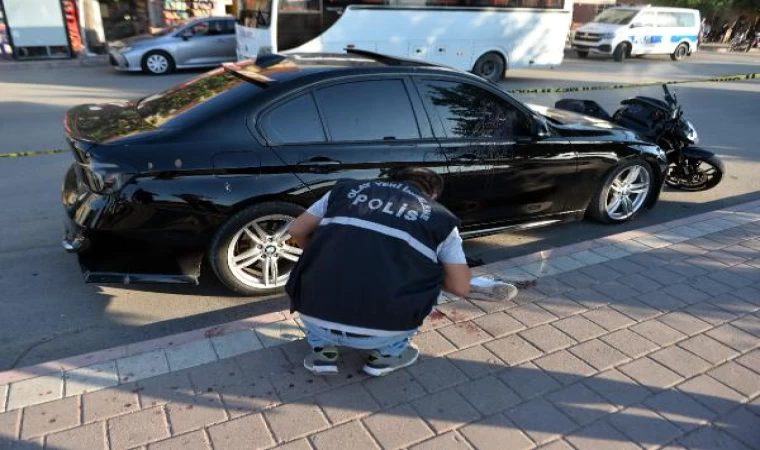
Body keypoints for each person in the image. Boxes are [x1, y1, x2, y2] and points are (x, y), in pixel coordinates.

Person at [286, 168, 472, 377]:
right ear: (433, 196)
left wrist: (318, 255)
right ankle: (385, 357)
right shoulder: (441, 218)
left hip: (314, 317)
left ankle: (322, 350)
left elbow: (296, 230)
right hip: (384, 330)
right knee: (433, 280)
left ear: (390, 181)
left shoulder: (343, 191)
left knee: (315, 274)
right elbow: (460, 287)